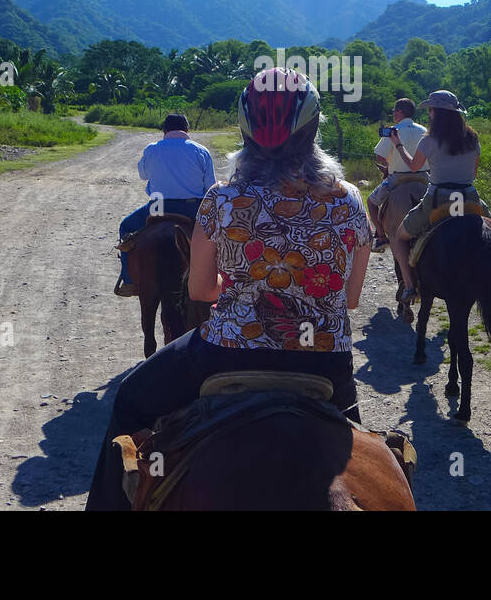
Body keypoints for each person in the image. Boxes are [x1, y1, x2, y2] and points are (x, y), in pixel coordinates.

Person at [85, 67, 373, 510]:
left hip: (229, 350)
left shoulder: (221, 198)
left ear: (246, 129)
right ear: (313, 128)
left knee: (130, 399)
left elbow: (201, 290)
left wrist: (241, 286)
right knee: (369, 455)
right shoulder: (349, 199)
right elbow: (350, 299)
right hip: (326, 359)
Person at [386, 90, 483, 305]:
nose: (429, 113)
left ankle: (410, 286)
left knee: (399, 237)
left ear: (436, 113)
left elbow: (413, 166)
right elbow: (474, 172)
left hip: (438, 198)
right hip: (469, 196)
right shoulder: (473, 139)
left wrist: (398, 145)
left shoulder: (429, 141)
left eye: (430, 110)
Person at [115, 113, 216, 297]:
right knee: (217, 237)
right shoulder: (201, 150)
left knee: (126, 226)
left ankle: (129, 281)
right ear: (187, 129)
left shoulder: (152, 149)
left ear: (164, 130)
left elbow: (143, 175)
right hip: (191, 208)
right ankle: (220, 279)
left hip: (158, 207)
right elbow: (210, 187)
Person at [366, 97, 428, 250]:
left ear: (400, 112)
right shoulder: (424, 130)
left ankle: (381, 236)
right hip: (425, 177)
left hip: (397, 178)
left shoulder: (394, 131)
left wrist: (390, 161)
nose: (393, 114)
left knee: (371, 202)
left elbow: (380, 156)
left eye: (394, 111)